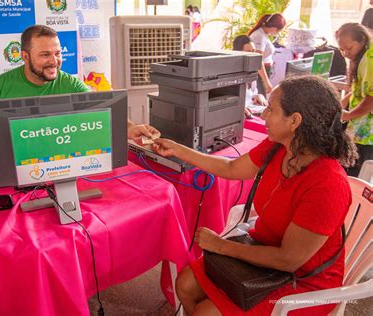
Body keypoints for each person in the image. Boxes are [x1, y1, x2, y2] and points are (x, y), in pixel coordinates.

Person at [153, 76, 356, 315]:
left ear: (295, 121)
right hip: (263, 253)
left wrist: (221, 246)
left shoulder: (328, 184)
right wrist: (177, 149)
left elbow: (288, 260)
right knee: (185, 285)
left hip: (304, 283)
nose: (262, 116)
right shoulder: (279, 147)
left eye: (270, 109)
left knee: (205, 312)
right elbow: (230, 168)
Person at [0, 25, 158, 154]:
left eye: (58, 53)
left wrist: (132, 128)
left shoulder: (72, 84)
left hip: (61, 164)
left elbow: (104, 111)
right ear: (25, 56)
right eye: (45, 55)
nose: (54, 61)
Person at [336, 23, 373, 176]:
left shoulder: (370, 60)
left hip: (366, 135)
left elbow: (371, 99)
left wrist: (347, 115)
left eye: (349, 48)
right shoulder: (363, 57)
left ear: (362, 40)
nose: (345, 54)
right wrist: (340, 104)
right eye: (342, 49)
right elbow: (359, 91)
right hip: (359, 130)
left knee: (354, 179)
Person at [249, 13, 286, 96]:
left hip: (264, 71)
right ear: (274, 28)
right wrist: (267, 82)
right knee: (261, 99)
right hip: (261, 73)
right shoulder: (259, 36)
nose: (277, 33)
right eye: (278, 31)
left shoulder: (263, 34)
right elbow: (258, 61)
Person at [232, 35, 268, 118]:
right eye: (249, 52)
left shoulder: (252, 71)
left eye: (254, 51)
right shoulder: (232, 75)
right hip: (241, 116)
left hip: (253, 112)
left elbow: (252, 94)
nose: (253, 55)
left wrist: (259, 96)